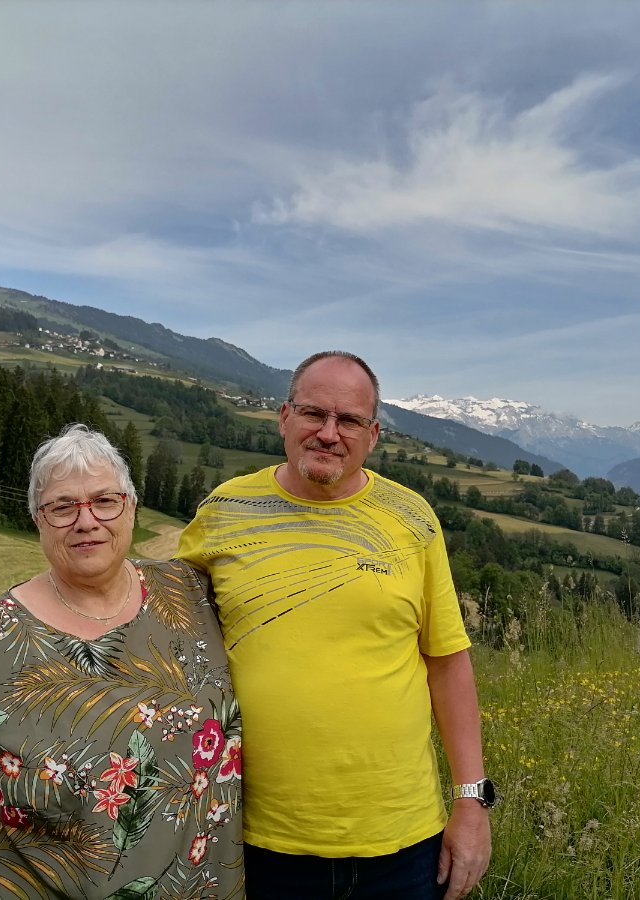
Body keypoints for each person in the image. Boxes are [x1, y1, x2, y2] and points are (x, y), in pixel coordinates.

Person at [177, 351, 492, 900]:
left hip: (402, 842)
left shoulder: (413, 520)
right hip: (254, 837)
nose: (328, 433)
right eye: (313, 414)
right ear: (284, 418)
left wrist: (472, 801)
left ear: (373, 435)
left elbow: (447, 662)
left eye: (348, 420)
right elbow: (167, 636)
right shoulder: (224, 512)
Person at [0, 424, 244, 899]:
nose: (86, 520)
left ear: (131, 508)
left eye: (104, 501)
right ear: (37, 520)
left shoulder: (190, 595)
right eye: (62, 507)